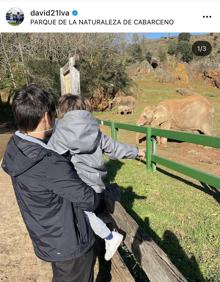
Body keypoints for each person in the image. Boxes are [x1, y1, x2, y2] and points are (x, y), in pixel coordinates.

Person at [1, 84, 101, 282]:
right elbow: (90, 200)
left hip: (48, 235)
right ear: (47, 117)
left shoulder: (15, 147)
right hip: (70, 245)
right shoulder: (48, 163)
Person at [48, 94, 145, 261]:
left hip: (77, 189)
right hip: (96, 187)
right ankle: (102, 228)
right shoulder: (96, 132)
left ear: (63, 111)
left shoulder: (60, 134)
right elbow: (116, 148)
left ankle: (109, 237)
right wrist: (136, 151)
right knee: (89, 213)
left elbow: (50, 158)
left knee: (82, 215)